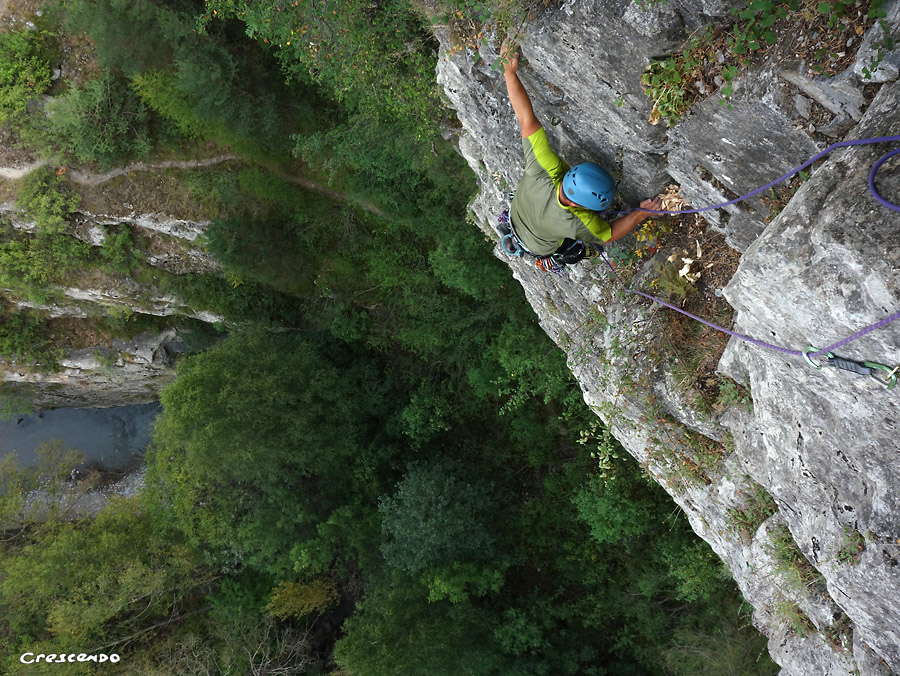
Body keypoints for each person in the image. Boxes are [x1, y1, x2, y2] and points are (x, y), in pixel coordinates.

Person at [500, 39, 663, 265]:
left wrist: (509, 74)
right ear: (580, 207)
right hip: (540, 245)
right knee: (570, 250)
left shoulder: (542, 168)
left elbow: (526, 120)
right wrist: (640, 213)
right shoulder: (578, 223)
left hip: (520, 217)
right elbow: (607, 235)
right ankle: (571, 250)